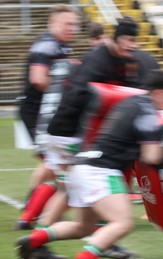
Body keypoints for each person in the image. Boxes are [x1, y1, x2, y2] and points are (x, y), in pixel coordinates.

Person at [15, 70, 163, 259]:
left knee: (83, 227)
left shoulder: (129, 103)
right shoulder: (148, 114)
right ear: (159, 92)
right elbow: (152, 157)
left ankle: (33, 241)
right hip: (102, 172)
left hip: (82, 165)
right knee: (123, 223)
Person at [15, 4, 80, 230]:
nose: (73, 28)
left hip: (46, 110)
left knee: (51, 163)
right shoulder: (47, 46)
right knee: (52, 162)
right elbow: (38, 79)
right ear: (53, 23)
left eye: (75, 24)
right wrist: (68, 92)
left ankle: (32, 209)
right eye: (67, 23)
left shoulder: (62, 47)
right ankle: (32, 209)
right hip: (36, 111)